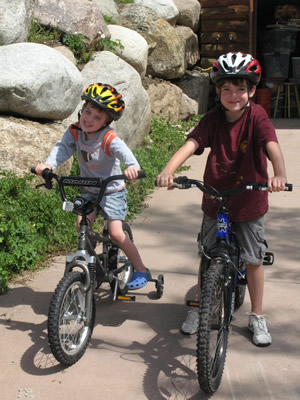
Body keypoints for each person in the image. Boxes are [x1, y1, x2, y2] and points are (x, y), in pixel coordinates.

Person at [156, 52, 287, 346]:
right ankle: (203, 307)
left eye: (240, 88)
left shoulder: (257, 116)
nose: (233, 95)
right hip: (216, 198)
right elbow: (191, 143)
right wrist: (168, 170)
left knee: (253, 259)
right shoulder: (213, 118)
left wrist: (279, 173)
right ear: (217, 91)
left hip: (249, 200)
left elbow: (272, 145)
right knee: (207, 254)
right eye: (226, 89)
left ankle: (256, 314)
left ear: (252, 90)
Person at [35, 82, 151, 290]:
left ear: (106, 122)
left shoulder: (108, 138)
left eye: (97, 117)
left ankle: (141, 268)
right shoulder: (74, 131)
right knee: (82, 227)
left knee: (116, 233)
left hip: (111, 191)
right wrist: (48, 165)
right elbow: (62, 149)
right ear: (82, 110)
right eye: (87, 112)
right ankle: (92, 265)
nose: (89, 119)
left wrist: (133, 166)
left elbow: (125, 154)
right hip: (88, 190)